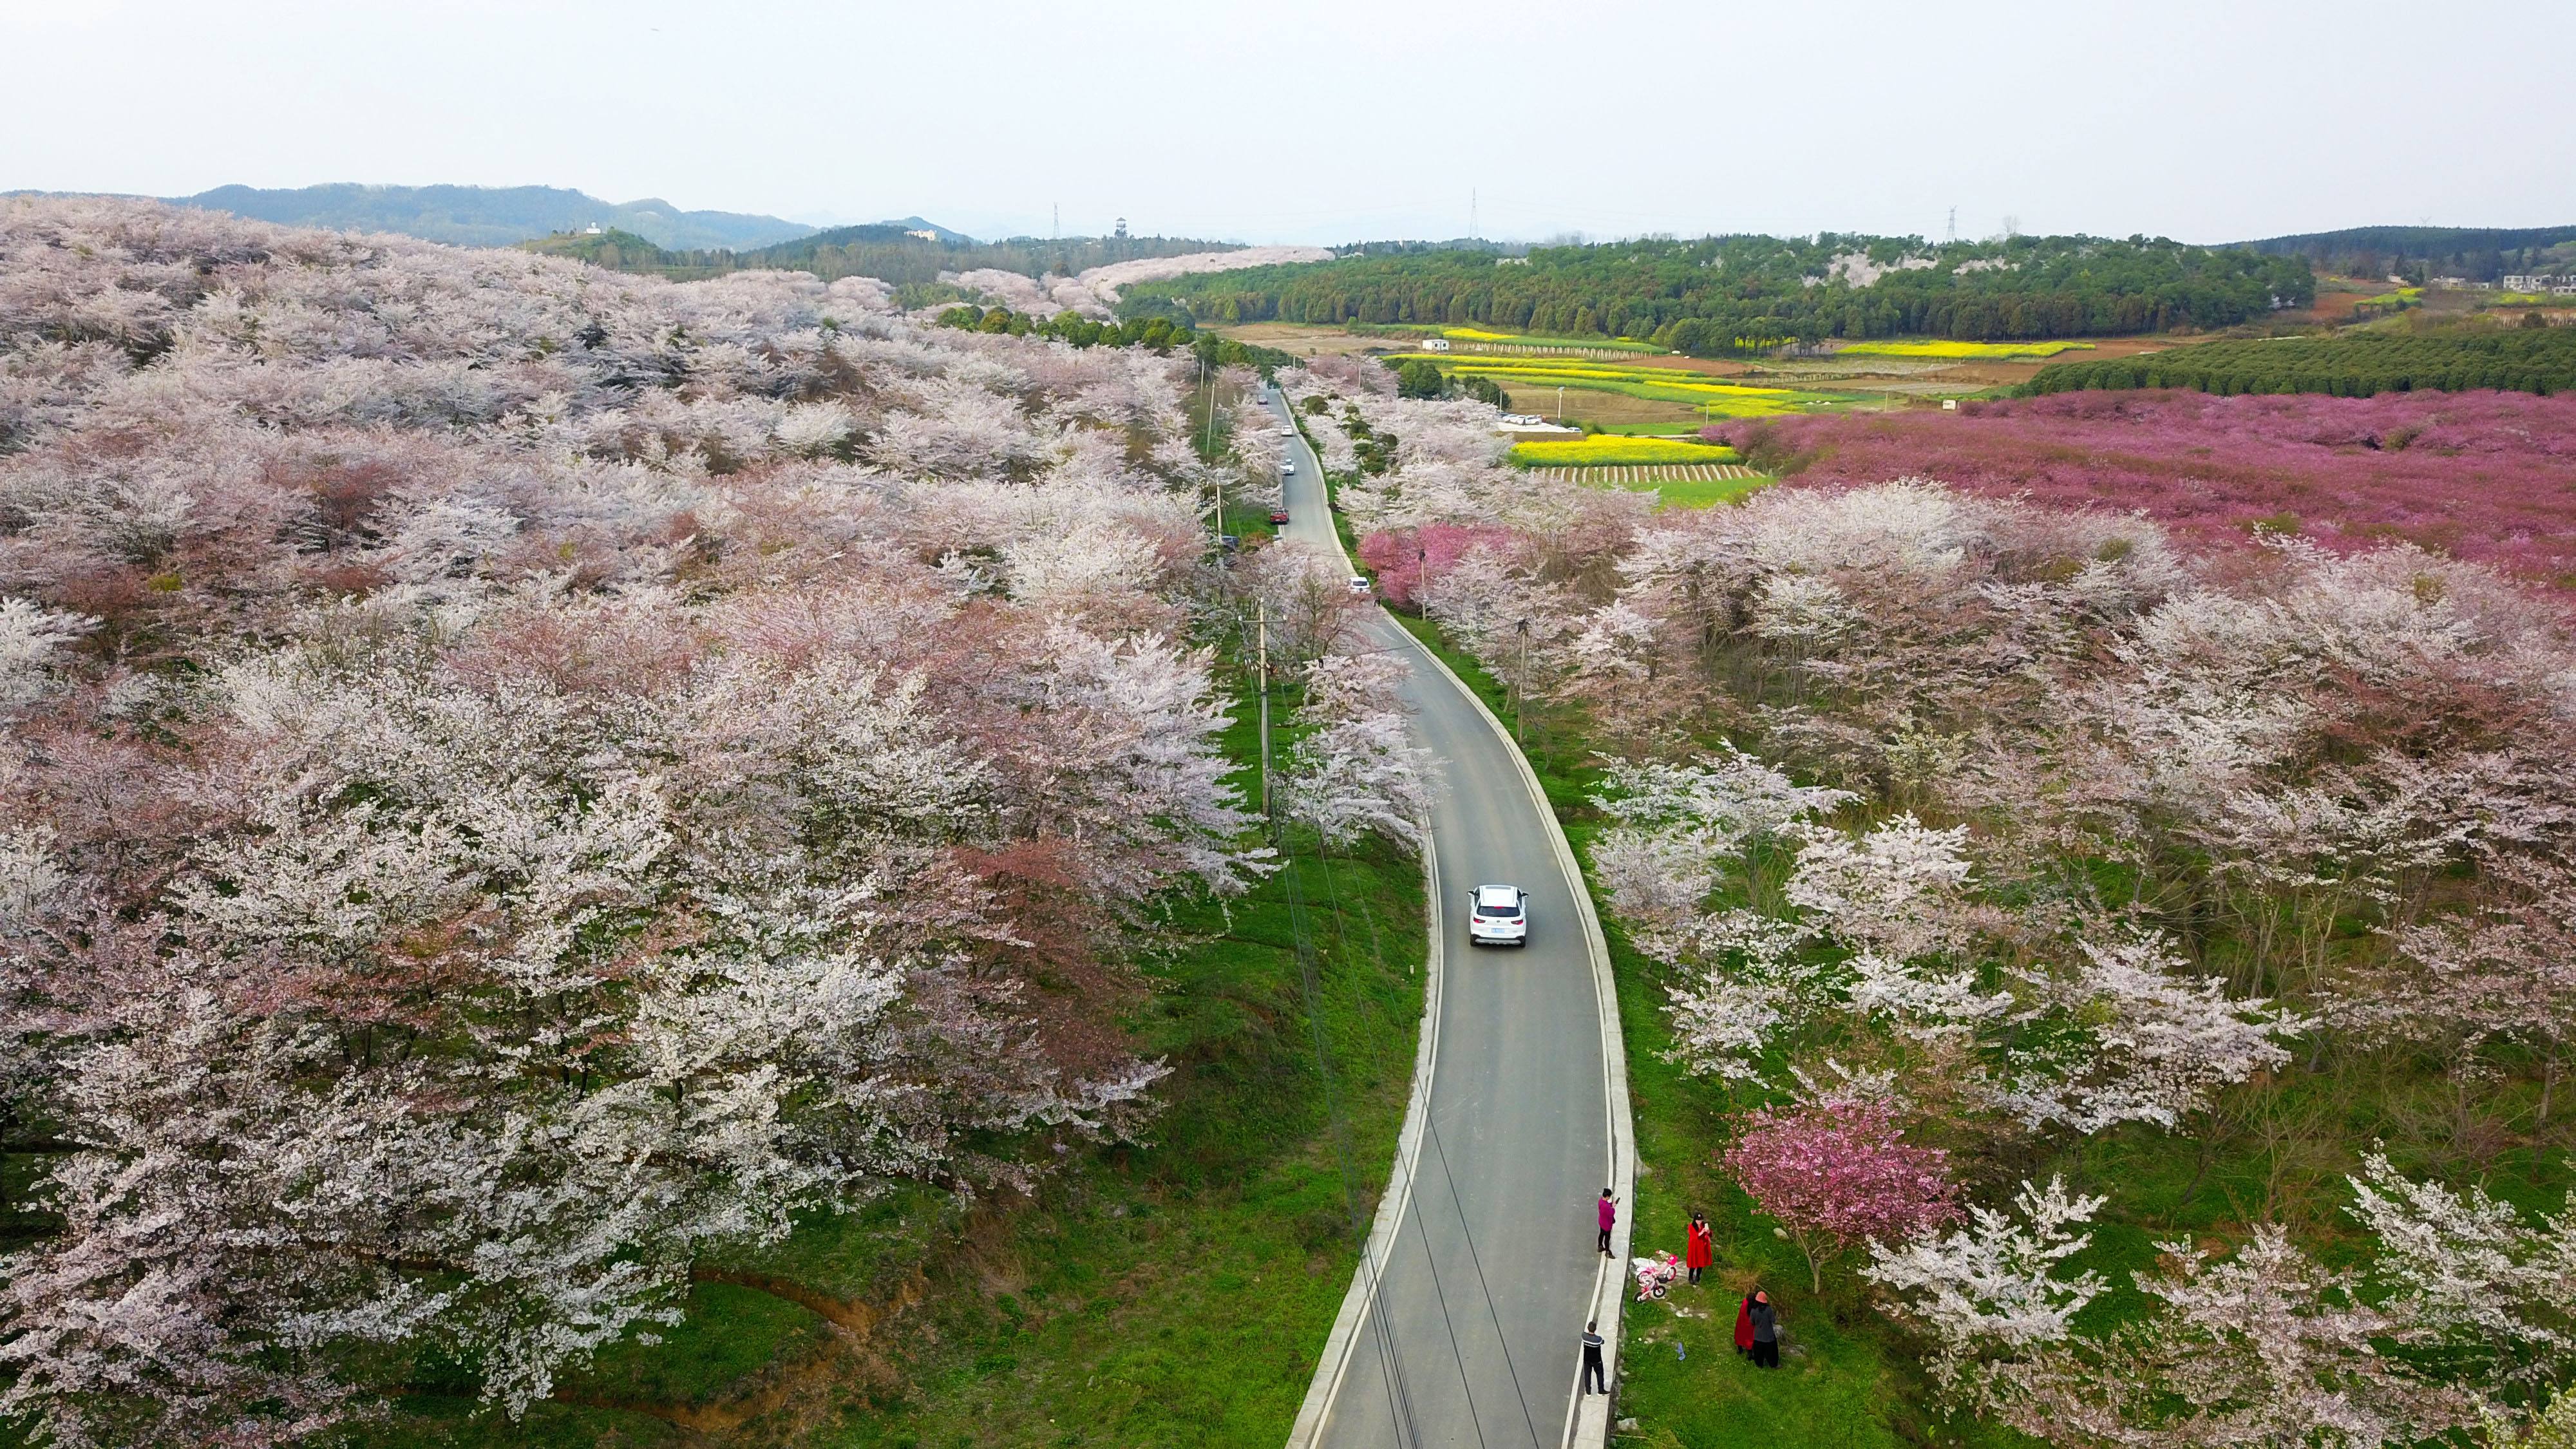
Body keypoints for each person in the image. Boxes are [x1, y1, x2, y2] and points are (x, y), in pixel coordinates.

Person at [1748, 1289, 1780, 1368]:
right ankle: (1774, 1365)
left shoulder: (1753, 1310)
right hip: (1768, 1335)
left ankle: (1759, 1365)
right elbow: (1773, 1320)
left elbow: (1752, 1322)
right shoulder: (1769, 1310)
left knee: (1758, 1352)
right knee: (1772, 1352)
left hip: (1758, 1336)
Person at [1685, 1212, 1713, 1286]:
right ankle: (1690, 1277)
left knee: (1701, 1262)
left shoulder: (1704, 1225)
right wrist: (1701, 1232)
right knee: (1694, 1262)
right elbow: (1694, 1236)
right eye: (1698, 1220)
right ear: (1695, 1220)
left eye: (1701, 1220)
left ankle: (1698, 1277)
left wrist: (1708, 1232)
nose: (1700, 1222)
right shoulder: (1691, 1226)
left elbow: (1710, 1234)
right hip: (1695, 1247)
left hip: (1703, 1247)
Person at [1581, 1320, 1608, 1395]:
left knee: (1587, 1375)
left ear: (1588, 1328)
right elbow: (1602, 1342)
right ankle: (1601, 1390)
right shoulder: (1598, 1339)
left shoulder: (1584, 1336)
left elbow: (1583, 1336)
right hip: (1597, 1360)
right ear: (1595, 1329)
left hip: (1587, 1359)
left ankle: (1588, 1392)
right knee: (1600, 1374)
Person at [1596, 1188, 1616, 1256]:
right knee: (1607, 1239)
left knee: (1601, 1234)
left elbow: (1606, 1207)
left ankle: (1600, 1246)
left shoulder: (1601, 1201)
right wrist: (1613, 1207)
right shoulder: (1606, 1207)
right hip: (1607, 1225)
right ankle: (1608, 1252)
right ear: (1607, 1197)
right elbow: (1611, 1214)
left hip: (1601, 1222)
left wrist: (1611, 1204)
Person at [1733, 1291, 1754, 1356]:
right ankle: (1750, 1353)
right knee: (1750, 1338)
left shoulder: (1745, 1302)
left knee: (1740, 1335)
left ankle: (1740, 1350)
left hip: (1741, 1322)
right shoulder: (1754, 1305)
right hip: (1750, 1324)